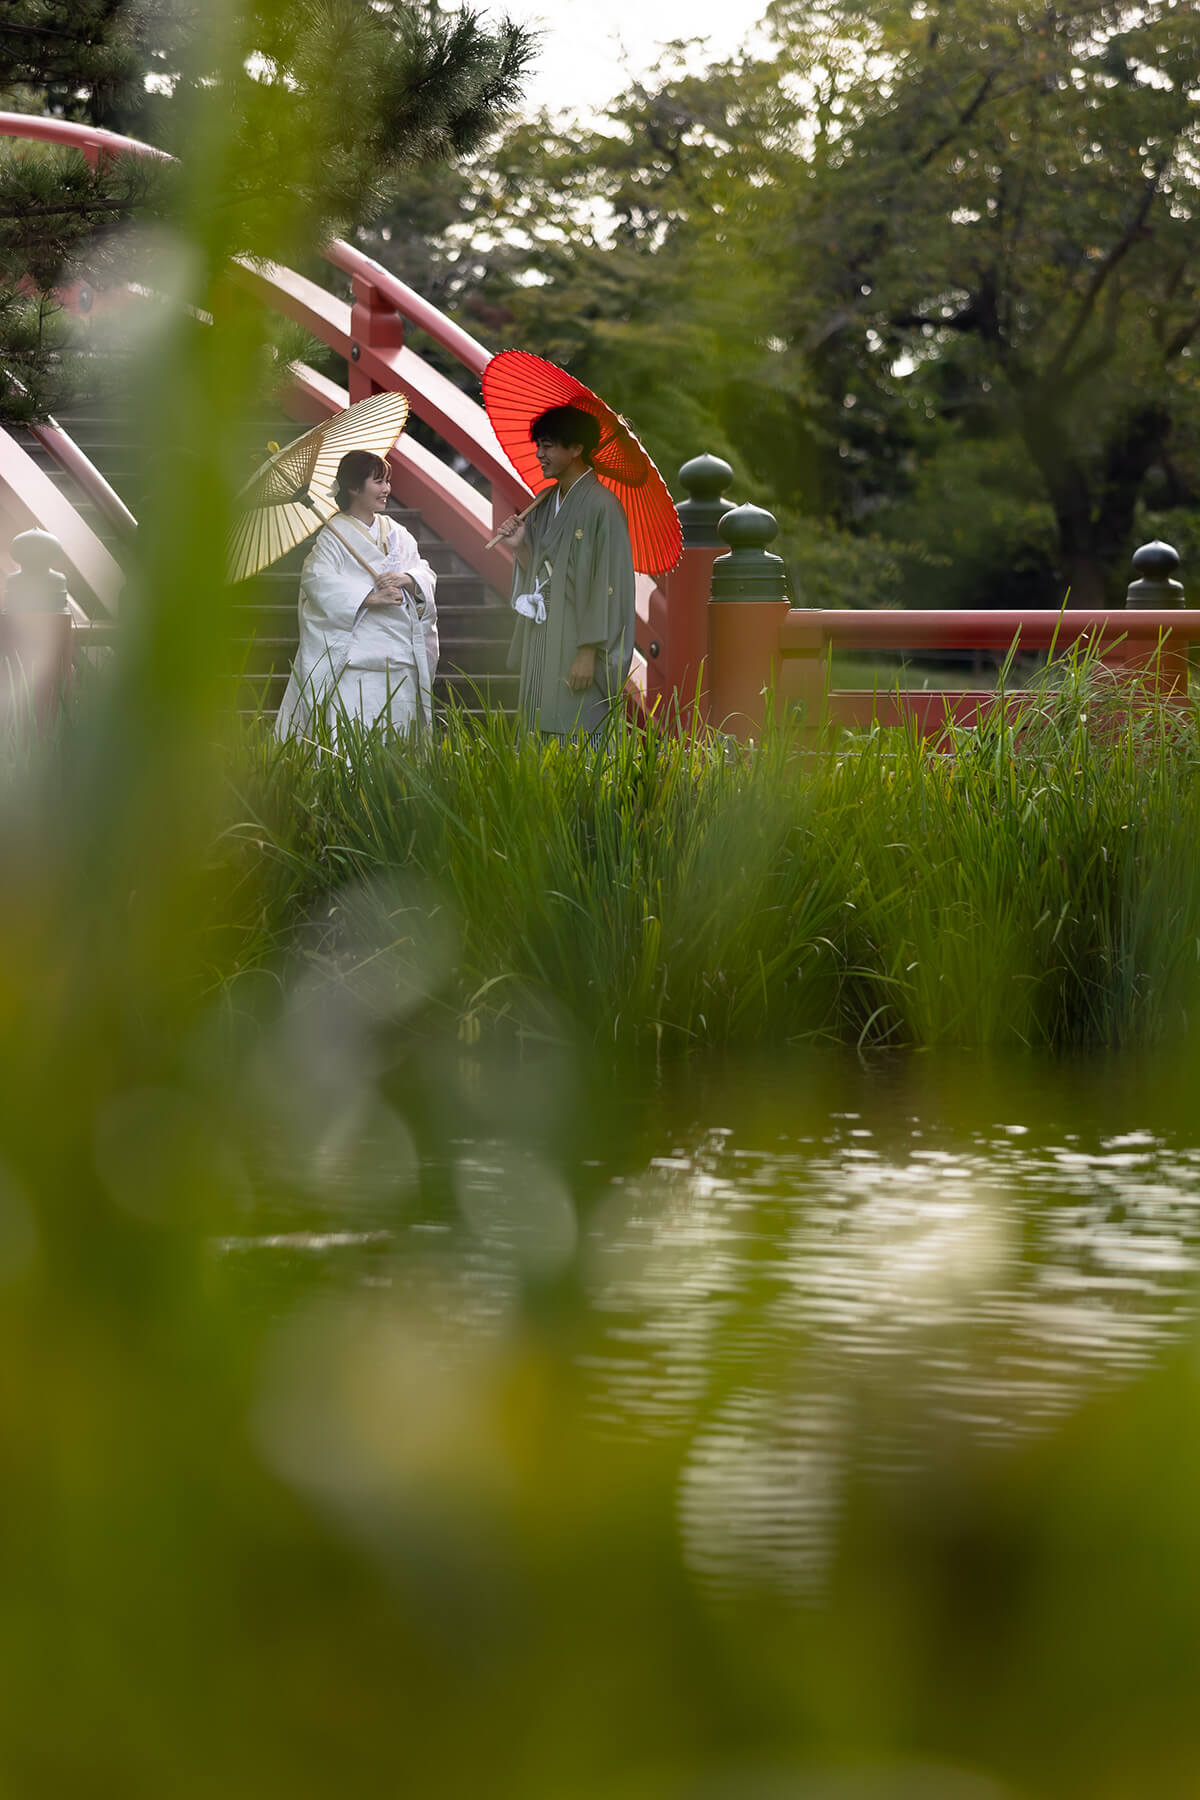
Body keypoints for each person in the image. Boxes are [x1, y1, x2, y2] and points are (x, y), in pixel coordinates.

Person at [275, 450, 438, 742]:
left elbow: (424, 571)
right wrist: (368, 597)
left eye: (387, 481)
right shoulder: (332, 536)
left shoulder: (397, 533)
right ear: (353, 488)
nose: (387, 489)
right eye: (378, 481)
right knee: (353, 740)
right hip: (354, 657)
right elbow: (317, 581)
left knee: (399, 740)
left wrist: (408, 579)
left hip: (399, 654)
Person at [495, 405, 636, 740]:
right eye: (538, 446)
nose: (540, 454)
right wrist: (520, 546)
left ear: (576, 449)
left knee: (578, 725)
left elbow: (609, 584)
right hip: (543, 633)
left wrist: (588, 654)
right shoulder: (545, 502)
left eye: (548, 446)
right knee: (537, 724)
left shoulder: (603, 506)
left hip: (579, 637)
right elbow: (541, 575)